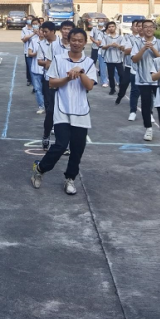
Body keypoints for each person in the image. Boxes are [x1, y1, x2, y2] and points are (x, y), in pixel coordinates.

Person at [30, 27, 97, 195]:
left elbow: (89, 86)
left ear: (84, 43)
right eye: (73, 39)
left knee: (77, 148)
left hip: (81, 110)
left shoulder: (88, 63)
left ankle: (70, 178)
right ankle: (40, 169)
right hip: (62, 109)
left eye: (80, 40)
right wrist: (68, 77)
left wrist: (80, 72)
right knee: (60, 145)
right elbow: (52, 83)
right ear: (69, 40)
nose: (76, 43)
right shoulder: (59, 60)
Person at [36, 21, 67, 149]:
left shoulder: (74, 46)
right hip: (51, 81)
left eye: (69, 29)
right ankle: (46, 134)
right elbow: (46, 64)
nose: (66, 31)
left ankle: (64, 142)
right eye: (64, 29)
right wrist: (58, 66)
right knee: (51, 111)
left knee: (66, 112)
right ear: (60, 30)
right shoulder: (53, 46)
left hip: (67, 83)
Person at [132, 19, 160, 139]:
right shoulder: (137, 42)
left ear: (154, 29)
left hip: (159, 79)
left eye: (151, 27)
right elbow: (134, 59)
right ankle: (148, 128)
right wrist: (143, 48)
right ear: (142, 29)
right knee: (145, 105)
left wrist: (153, 49)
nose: (148, 29)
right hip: (143, 79)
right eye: (146, 27)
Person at [121, 19, 143, 114]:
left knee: (148, 94)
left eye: (143, 26)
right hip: (133, 68)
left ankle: (149, 113)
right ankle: (133, 111)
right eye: (138, 26)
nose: (140, 28)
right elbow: (126, 51)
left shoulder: (154, 40)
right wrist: (139, 49)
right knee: (134, 91)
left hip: (148, 71)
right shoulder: (130, 38)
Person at [101, 21, 127, 96]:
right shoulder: (106, 37)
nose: (111, 28)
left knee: (121, 74)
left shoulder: (120, 37)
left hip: (118, 59)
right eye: (109, 27)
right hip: (109, 59)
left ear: (115, 27)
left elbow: (123, 48)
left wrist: (118, 46)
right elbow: (103, 47)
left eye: (112, 26)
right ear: (107, 28)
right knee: (111, 75)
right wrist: (109, 45)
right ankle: (112, 89)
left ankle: (121, 88)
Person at [21, 19, 37, 87]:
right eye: (34, 23)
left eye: (36, 23)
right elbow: (24, 39)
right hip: (29, 52)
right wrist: (33, 33)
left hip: (38, 53)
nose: (35, 25)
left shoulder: (41, 31)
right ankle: (32, 82)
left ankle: (35, 84)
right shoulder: (24, 29)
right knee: (30, 68)